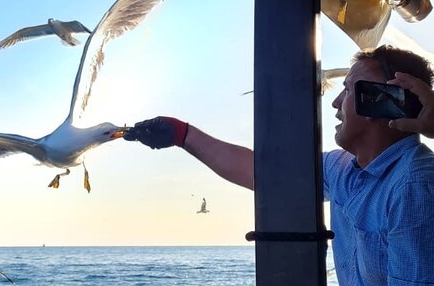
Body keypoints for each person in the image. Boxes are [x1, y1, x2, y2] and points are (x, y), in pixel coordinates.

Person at [124, 45, 434, 285]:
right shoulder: (343, 169)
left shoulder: (414, 186)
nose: (336, 103)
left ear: (383, 100)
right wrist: (182, 134)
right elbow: (263, 174)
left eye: (351, 89)